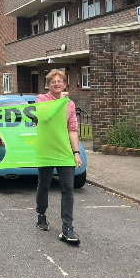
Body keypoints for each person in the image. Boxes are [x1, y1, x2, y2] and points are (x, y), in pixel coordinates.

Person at [35, 70, 82, 244]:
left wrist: (76, 153)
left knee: (68, 188)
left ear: (65, 84)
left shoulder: (70, 104)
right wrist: (60, 101)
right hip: (46, 150)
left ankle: (67, 227)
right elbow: (45, 117)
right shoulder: (41, 99)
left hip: (64, 151)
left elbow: (72, 129)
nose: (57, 83)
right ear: (48, 85)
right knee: (44, 184)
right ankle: (41, 213)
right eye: (53, 81)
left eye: (60, 81)